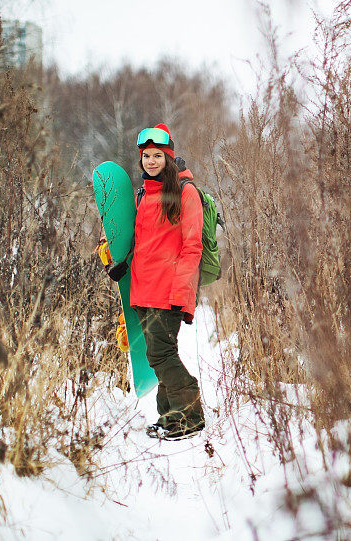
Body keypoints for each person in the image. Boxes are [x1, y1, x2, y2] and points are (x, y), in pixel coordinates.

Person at [130, 122, 205, 440]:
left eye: (157, 155)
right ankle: (170, 416)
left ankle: (191, 415)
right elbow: (141, 241)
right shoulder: (144, 194)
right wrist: (121, 263)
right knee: (157, 353)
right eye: (146, 155)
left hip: (167, 290)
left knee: (161, 354)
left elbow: (192, 246)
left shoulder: (185, 193)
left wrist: (181, 291)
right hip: (143, 289)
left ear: (169, 158)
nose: (151, 161)